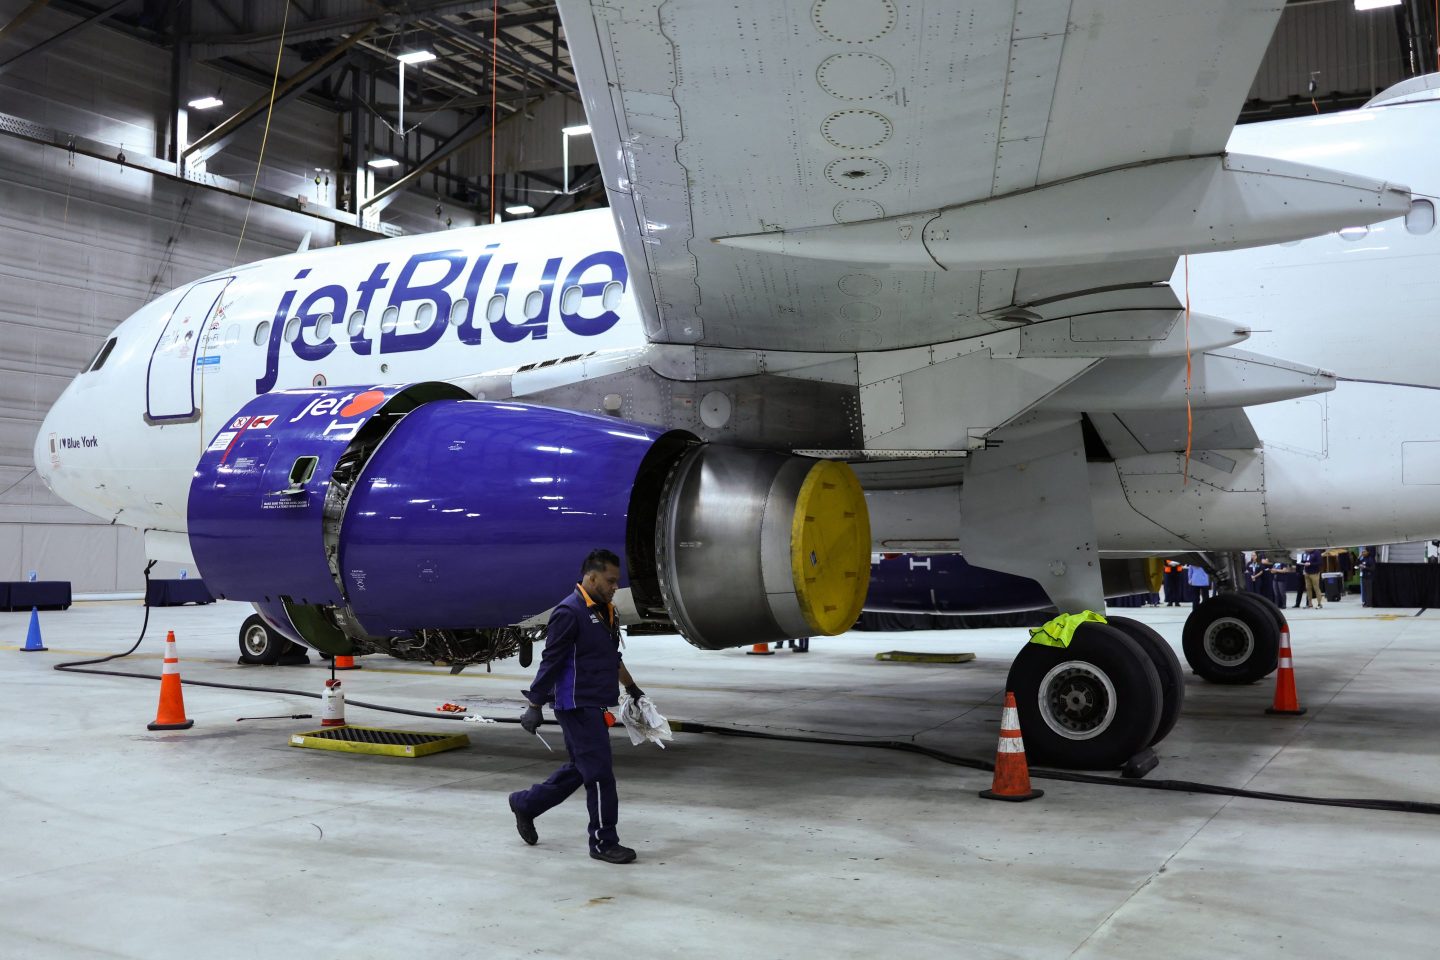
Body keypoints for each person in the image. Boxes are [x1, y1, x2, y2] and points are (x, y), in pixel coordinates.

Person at [509, 548, 645, 865]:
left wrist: (632, 688)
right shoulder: (569, 613)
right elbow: (551, 661)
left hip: (596, 702)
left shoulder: (606, 611)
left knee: (580, 769)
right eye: (610, 581)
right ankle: (602, 842)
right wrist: (534, 704)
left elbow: (612, 658)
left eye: (616, 581)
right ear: (591, 576)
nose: (615, 586)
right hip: (575, 704)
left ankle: (526, 804)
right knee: (600, 776)